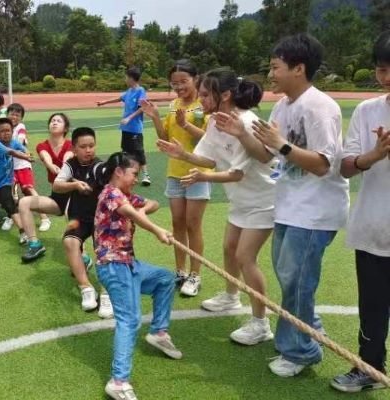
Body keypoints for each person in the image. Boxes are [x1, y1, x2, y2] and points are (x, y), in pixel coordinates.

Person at [221, 33, 349, 377]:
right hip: (290, 205)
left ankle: (300, 351)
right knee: (290, 276)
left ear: (298, 68)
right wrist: (242, 134)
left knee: (296, 280)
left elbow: (323, 165)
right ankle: (310, 330)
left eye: (275, 67)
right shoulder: (283, 107)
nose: (270, 74)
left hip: (315, 211)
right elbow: (266, 155)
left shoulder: (320, 107)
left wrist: (283, 145)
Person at [158, 68, 276, 345]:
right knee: (229, 248)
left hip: (264, 201)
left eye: (204, 95)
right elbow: (209, 159)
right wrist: (183, 155)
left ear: (225, 95)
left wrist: (203, 178)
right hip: (241, 199)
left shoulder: (246, 123)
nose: (200, 100)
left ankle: (261, 323)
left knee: (245, 257)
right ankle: (231, 297)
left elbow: (236, 173)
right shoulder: (213, 122)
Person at [94, 151, 182, 400]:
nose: (137, 178)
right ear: (118, 171)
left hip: (129, 264)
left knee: (165, 279)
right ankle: (118, 382)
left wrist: (143, 209)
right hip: (113, 266)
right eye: (134, 173)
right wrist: (156, 229)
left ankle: (158, 333)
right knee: (130, 320)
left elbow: (151, 204)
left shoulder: (126, 195)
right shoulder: (110, 193)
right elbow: (131, 213)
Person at [330, 30, 390, 393]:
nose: (386, 76)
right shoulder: (368, 111)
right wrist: (374, 155)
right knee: (372, 305)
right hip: (373, 228)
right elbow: (345, 166)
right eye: (382, 69)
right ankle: (370, 367)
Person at [21, 126, 113, 318]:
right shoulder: (71, 165)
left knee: (104, 250)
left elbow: (109, 181)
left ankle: (107, 293)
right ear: (74, 148)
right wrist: (75, 184)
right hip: (79, 218)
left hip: (101, 220)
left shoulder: (99, 167)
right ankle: (86, 288)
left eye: (91, 146)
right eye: (83, 147)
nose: (88, 150)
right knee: (69, 241)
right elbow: (57, 185)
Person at [141, 60, 210, 297]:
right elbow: (166, 137)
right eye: (174, 83)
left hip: (198, 172)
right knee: (177, 223)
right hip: (175, 172)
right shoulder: (173, 105)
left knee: (193, 224)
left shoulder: (204, 104)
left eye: (183, 81)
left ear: (195, 79)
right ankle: (180, 271)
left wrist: (185, 125)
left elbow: (208, 140)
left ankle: (195, 274)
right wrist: (154, 117)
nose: (179, 87)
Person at [18, 113, 73, 247]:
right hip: (57, 197)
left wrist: (63, 168)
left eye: (58, 121)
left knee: (69, 214)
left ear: (65, 128)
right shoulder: (42, 146)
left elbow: (68, 157)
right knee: (24, 202)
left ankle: (81, 251)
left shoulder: (71, 145)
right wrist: (50, 165)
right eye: (52, 121)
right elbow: (46, 157)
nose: (54, 123)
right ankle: (34, 244)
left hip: (74, 195)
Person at [97, 67, 151, 186]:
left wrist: (129, 118)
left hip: (135, 128)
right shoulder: (129, 91)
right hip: (126, 128)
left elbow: (142, 107)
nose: (125, 79)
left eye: (126, 77)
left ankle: (146, 175)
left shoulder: (140, 91)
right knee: (126, 152)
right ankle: (130, 174)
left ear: (132, 78)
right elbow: (119, 98)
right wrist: (104, 102)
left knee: (138, 151)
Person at [6, 103, 51, 231]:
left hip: (22, 165)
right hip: (10, 167)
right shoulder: (6, 128)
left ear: (21, 118)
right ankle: (11, 217)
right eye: (12, 114)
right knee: (13, 192)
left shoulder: (21, 127)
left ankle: (44, 218)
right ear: (7, 114)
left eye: (17, 115)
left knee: (29, 190)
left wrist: (11, 147)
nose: (14, 117)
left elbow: (20, 140)